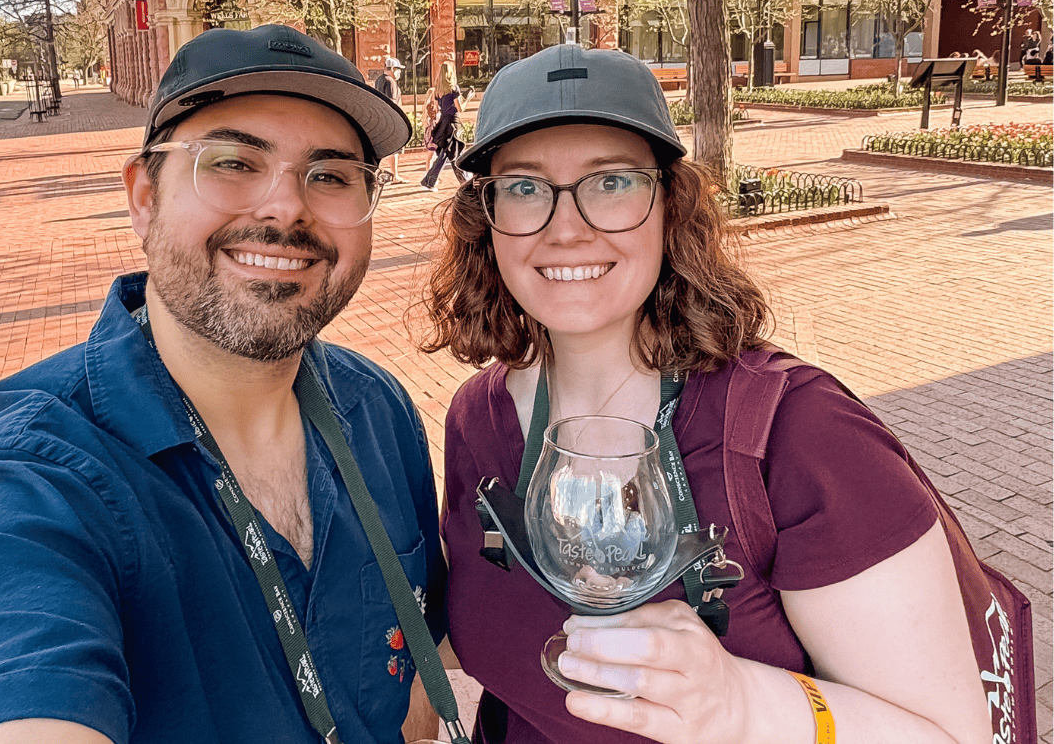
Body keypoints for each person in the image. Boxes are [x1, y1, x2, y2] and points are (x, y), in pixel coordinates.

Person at [0, 25, 447, 744]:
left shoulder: (379, 411)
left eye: (330, 175)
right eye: (234, 161)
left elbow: (418, 662)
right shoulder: (27, 483)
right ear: (143, 196)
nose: (285, 208)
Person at [420, 44, 991, 744]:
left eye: (611, 182)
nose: (566, 227)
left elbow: (949, 733)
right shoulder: (478, 420)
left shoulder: (801, 434)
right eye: (526, 187)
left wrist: (743, 703)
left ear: (670, 205)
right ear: (489, 217)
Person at [419, 60, 473, 191]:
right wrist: (468, 98)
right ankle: (431, 181)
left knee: (451, 153)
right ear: (450, 73)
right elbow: (460, 108)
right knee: (452, 153)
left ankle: (463, 181)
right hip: (453, 124)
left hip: (443, 123)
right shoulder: (454, 88)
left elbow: (437, 109)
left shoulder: (438, 91)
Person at [375, 56, 406, 182]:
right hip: (392, 119)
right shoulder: (390, 82)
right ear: (393, 69)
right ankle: (395, 175)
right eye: (398, 69)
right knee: (394, 149)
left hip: (382, 118)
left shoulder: (379, 80)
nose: (400, 72)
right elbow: (392, 102)